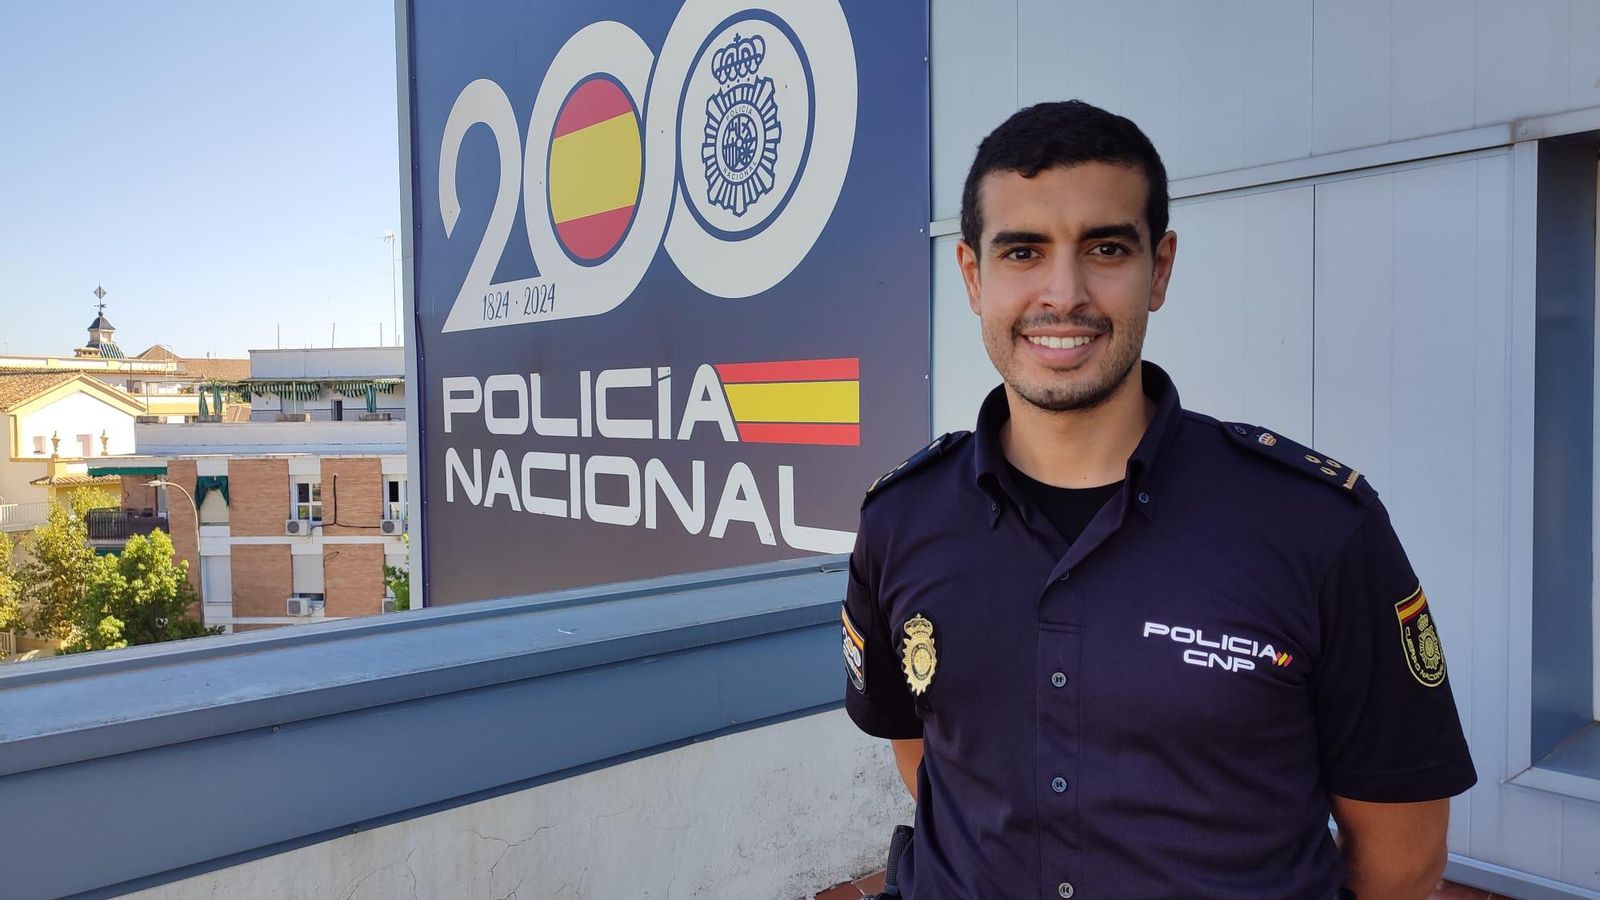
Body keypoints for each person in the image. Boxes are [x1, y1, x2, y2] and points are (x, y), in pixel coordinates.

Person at [843, 100, 1476, 900]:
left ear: (1161, 268)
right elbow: (924, 749)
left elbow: (1402, 853)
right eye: (1023, 252)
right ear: (973, 276)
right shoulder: (902, 519)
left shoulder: (1318, 527)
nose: (1063, 293)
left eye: (1106, 248)